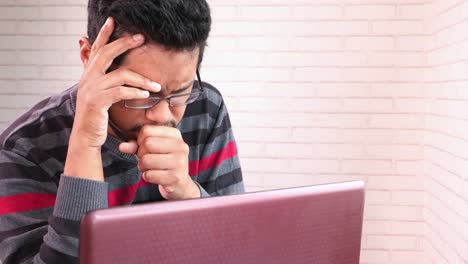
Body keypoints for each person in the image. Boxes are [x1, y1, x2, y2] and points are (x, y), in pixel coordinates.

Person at [0, 0, 244, 262]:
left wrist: (187, 192)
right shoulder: (23, 150)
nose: (162, 116)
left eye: (180, 92)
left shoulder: (206, 109)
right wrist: (85, 144)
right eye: (142, 92)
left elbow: (239, 248)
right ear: (89, 57)